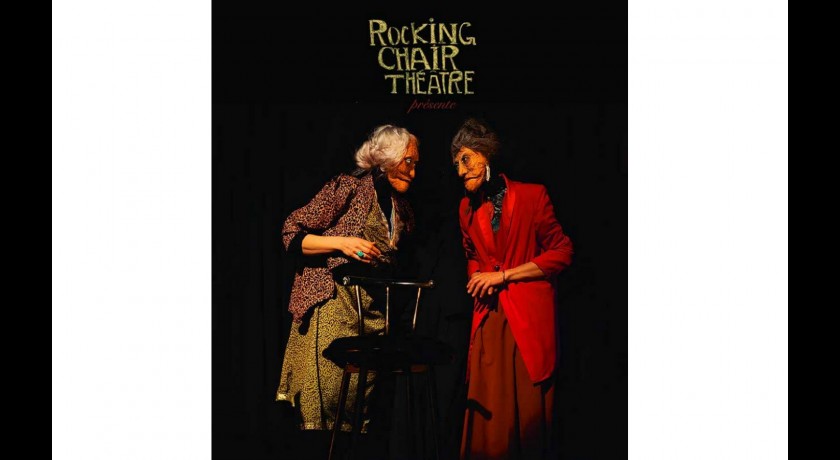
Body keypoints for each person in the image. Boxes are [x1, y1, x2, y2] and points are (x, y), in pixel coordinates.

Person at [276, 125, 420, 435]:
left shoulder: (402, 208)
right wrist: (342, 243)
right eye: (408, 161)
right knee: (327, 402)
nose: (412, 172)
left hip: (372, 314)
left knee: (357, 412)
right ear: (388, 158)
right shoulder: (349, 188)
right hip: (335, 305)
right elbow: (292, 233)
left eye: (415, 164)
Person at [452, 119, 573, 459]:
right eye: (456, 164)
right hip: (489, 315)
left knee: (525, 407)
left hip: (528, 316)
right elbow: (472, 253)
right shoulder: (466, 208)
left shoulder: (532, 196)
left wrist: (504, 276)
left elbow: (562, 252)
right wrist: (477, 276)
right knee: (490, 406)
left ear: (486, 154)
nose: (460, 171)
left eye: (465, 159)